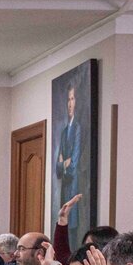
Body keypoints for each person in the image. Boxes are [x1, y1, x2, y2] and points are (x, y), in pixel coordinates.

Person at [54, 82, 82, 234]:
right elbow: (58, 168)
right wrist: (64, 163)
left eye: (72, 99)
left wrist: (64, 164)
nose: (70, 104)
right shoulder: (65, 131)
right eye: (68, 100)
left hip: (73, 186)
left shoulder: (77, 128)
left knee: (72, 228)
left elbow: (73, 165)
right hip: (65, 189)